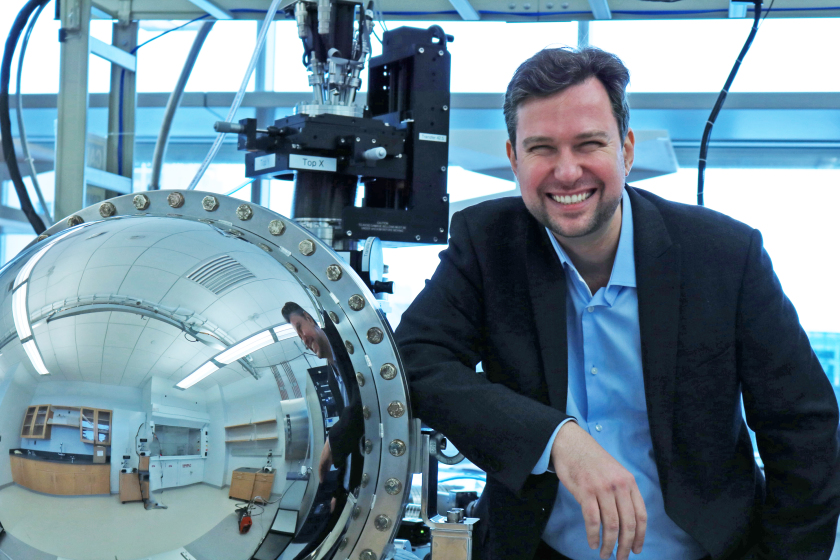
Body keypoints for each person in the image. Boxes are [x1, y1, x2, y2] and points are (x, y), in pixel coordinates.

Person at [393, 47, 840, 560]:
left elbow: (803, 428)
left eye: (589, 144)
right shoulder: (485, 242)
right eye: (541, 148)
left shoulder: (725, 255)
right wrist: (558, 440)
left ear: (626, 150)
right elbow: (415, 360)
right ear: (514, 158)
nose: (566, 172)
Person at [281, 302, 363, 491]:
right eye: (298, 336)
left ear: (309, 318)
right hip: (349, 485)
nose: (303, 340)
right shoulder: (330, 378)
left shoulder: (352, 350)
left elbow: (366, 402)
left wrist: (332, 441)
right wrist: (339, 491)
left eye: (300, 328)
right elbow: (347, 418)